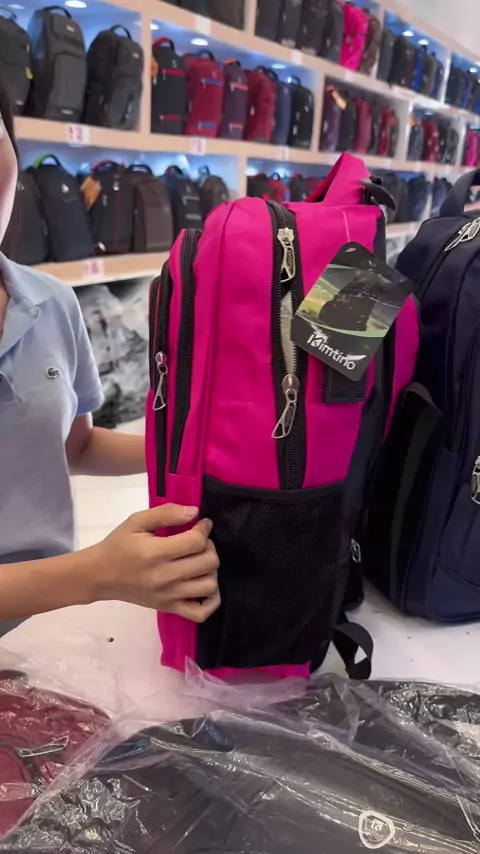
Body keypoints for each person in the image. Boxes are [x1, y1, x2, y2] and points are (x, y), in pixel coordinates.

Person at [0, 74, 220, 634]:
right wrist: (96, 574)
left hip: (51, 629)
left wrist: (194, 447)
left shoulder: (50, 301)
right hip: (71, 591)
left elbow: (75, 446)